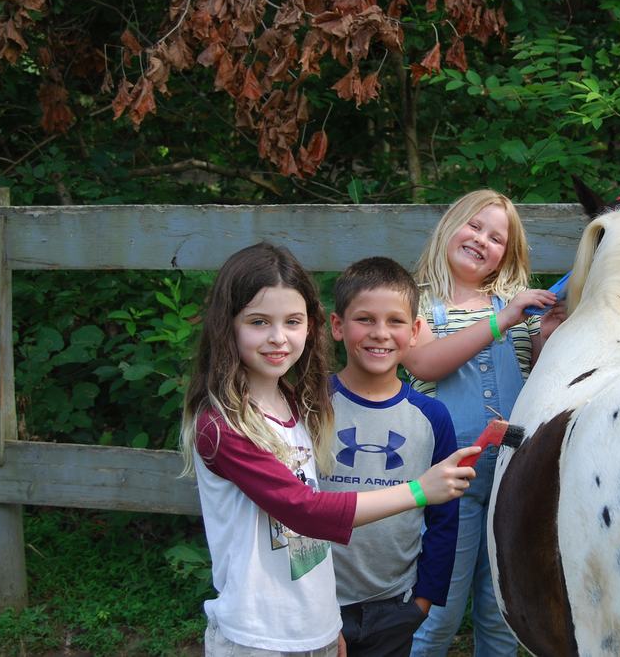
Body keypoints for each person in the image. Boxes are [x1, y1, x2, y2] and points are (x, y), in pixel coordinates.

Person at [179, 242, 479, 657]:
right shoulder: (221, 426)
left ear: (311, 327)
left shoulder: (298, 404)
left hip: (317, 627)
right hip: (257, 636)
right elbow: (304, 511)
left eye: (292, 321)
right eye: (259, 321)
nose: (277, 337)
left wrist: (325, 619)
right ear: (226, 325)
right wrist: (419, 491)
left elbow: (308, 550)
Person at [404, 190, 561, 657]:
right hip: (446, 481)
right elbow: (426, 363)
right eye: (474, 226)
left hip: (512, 479)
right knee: (438, 613)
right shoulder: (413, 304)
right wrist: (503, 322)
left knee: (502, 616)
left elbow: (540, 375)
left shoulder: (515, 307)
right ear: (450, 226)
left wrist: (548, 333)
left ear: (504, 257)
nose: (481, 240)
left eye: (496, 238)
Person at [321, 256, 460, 656]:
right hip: (319, 602)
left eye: (395, 321)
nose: (380, 333)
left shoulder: (432, 417)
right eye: (364, 319)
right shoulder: (310, 407)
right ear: (337, 326)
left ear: (415, 331)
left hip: (396, 605)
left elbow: (445, 519)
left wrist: (423, 601)